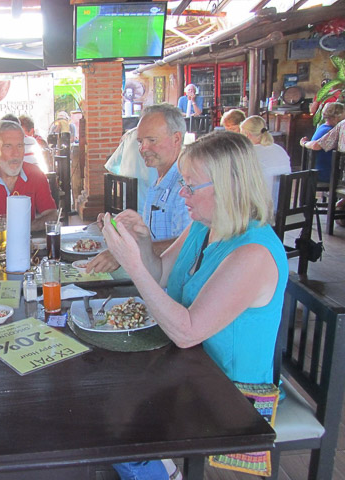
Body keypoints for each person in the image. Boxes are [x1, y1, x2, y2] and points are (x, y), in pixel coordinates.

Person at [101, 131, 288, 480]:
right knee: (107, 388)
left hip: (231, 395)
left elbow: (187, 332)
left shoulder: (254, 253)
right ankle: (154, 466)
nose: (181, 193)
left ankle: (161, 471)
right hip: (191, 368)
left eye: (190, 186)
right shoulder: (204, 226)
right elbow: (160, 273)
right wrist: (143, 243)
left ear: (229, 187)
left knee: (118, 411)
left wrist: (132, 265)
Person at [88, 104, 190, 273]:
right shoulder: (158, 182)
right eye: (141, 142)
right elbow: (153, 237)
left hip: (173, 285)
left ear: (176, 139)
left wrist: (122, 253)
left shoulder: (186, 186)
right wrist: (120, 227)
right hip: (152, 276)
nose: (143, 149)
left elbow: (189, 244)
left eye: (152, 140)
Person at [0, 120, 58, 234]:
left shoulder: (36, 174)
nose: (16, 154)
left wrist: (23, 227)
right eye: (8, 146)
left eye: (20, 146)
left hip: (26, 243)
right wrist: (15, 225)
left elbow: (52, 215)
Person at [240, 115, 291, 210]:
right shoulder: (280, 149)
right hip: (281, 205)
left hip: (261, 209)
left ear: (247, 134)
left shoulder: (250, 153)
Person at [104, 127, 158, 210]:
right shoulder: (164, 138)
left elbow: (112, 167)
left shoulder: (130, 135)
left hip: (127, 208)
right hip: (151, 211)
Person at [300, 102, 345, 182]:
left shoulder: (322, 127)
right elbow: (316, 145)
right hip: (326, 174)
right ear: (337, 117)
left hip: (318, 171)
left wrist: (304, 143)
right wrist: (304, 143)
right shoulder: (329, 131)